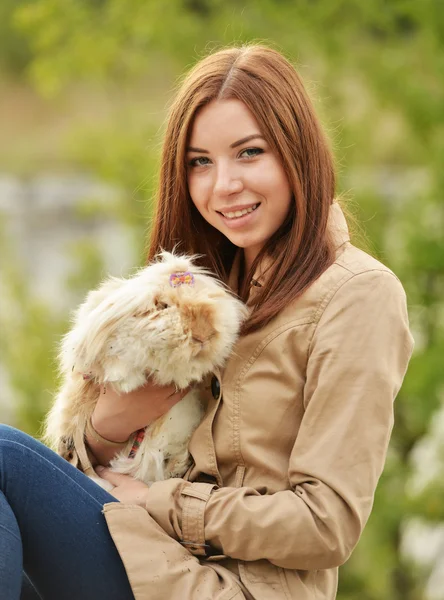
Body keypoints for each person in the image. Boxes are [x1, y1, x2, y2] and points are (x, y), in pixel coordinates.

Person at [0, 44, 414, 600]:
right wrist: (108, 427)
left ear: (299, 153)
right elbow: (102, 466)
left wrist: (161, 503)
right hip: (151, 552)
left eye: (249, 153)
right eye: (200, 162)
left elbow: (326, 524)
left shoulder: (358, 296)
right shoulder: (200, 290)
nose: (224, 186)